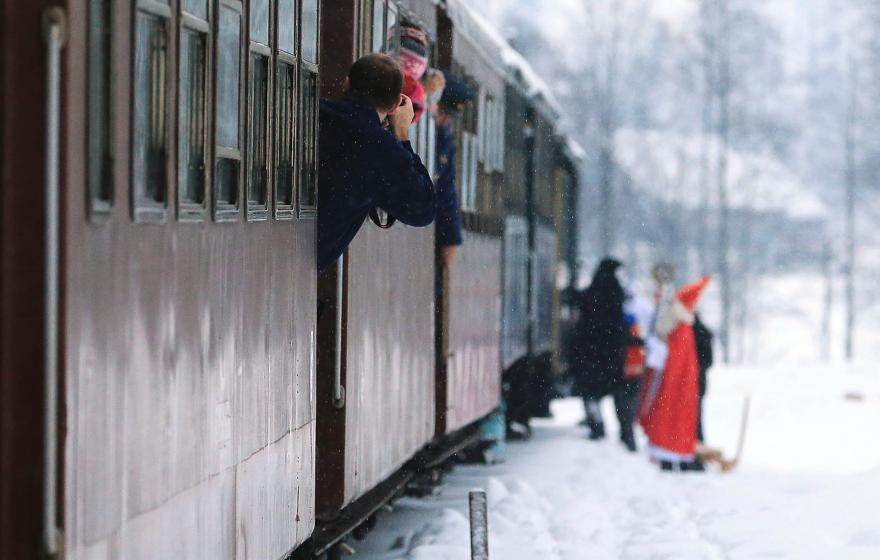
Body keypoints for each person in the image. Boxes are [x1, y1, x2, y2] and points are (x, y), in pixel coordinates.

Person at [317, 53, 436, 273]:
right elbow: (423, 209)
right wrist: (401, 134)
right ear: (394, 107)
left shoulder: (315, 112)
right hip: (305, 259)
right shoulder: (382, 149)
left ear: (347, 83)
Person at [641, 277, 711, 472]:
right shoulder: (684, 328)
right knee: (683, 421)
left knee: (678, 420)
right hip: (685, 387)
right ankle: (683, 456)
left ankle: (675, 456)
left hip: (683, 386)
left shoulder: (680, 327)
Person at [570, 258, 630, 442]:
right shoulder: (617, 292)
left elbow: (580, 303)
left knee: (590, 393)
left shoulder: (593, 290)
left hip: (590, 351)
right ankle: (625, 432)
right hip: (612, 353)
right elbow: (620, 323)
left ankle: (596, 425)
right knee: (617, 393)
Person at [432, 72, 474, 266]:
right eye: (443, 112)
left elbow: (445, 188)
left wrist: (450, 238)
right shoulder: (435, 135)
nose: (445, 120)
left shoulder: (443, 138)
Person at [693, 314, 714, 443]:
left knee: (694, 420)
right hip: (699, 383)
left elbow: (708, 361)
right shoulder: (704, 333)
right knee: (696, 419)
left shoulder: (697, 334)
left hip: (695, 383)